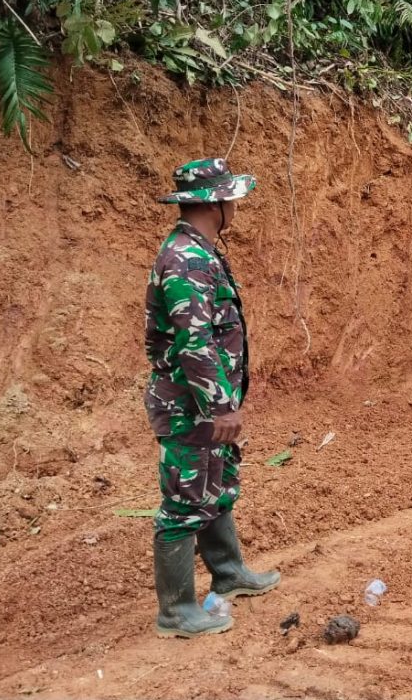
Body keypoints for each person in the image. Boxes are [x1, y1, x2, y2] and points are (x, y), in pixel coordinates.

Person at [145, 158, 280, 638]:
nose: (236, 205)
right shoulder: (185, 259)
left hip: (202, 402)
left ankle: (229, 573)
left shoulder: (201, 251)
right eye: (232, 198)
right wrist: (218, 404)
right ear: (215, 203)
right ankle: (177, 611)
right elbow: (194, 342)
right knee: (184, 501)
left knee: (215, 487)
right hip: (189, 406)